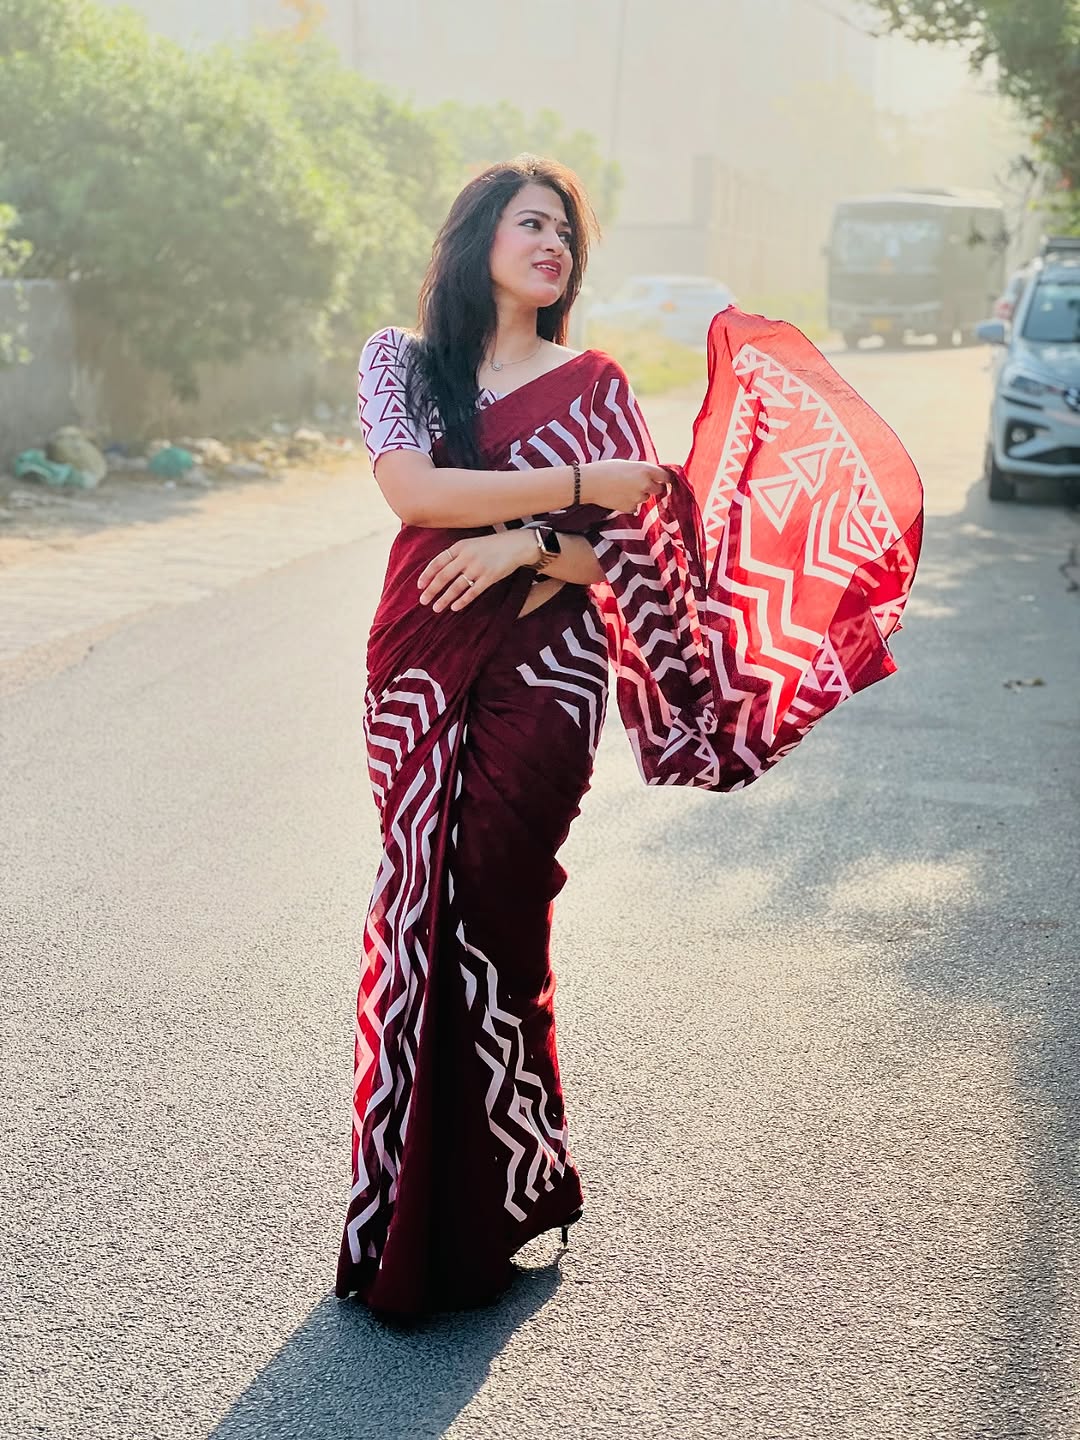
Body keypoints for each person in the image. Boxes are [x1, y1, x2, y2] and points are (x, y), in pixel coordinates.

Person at [336, 156, 923, 1319]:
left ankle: (497, 1193)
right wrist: (579, 482)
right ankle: (405, 1213)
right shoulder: (399, 363)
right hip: (416, 668)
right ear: (474, 241)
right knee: (419, 915)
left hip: (546, 676)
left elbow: (646, 560)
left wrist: (526, 544)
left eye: (568, 232)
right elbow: (410, 493)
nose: (555, 244)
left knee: (494, 908)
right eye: (532, 222)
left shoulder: (595, 380)